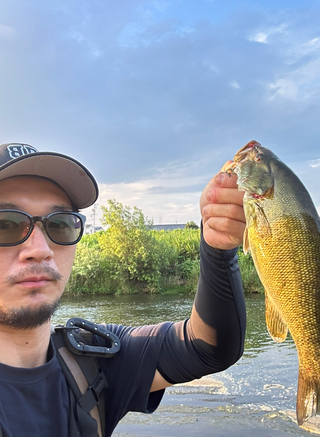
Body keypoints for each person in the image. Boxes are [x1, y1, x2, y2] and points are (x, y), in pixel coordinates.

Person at [0, 142, 247, 437]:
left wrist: (217, 246)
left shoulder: (92, 361)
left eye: (60, 224)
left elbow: (205, 347)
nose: (40, 250)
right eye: (6, 224)